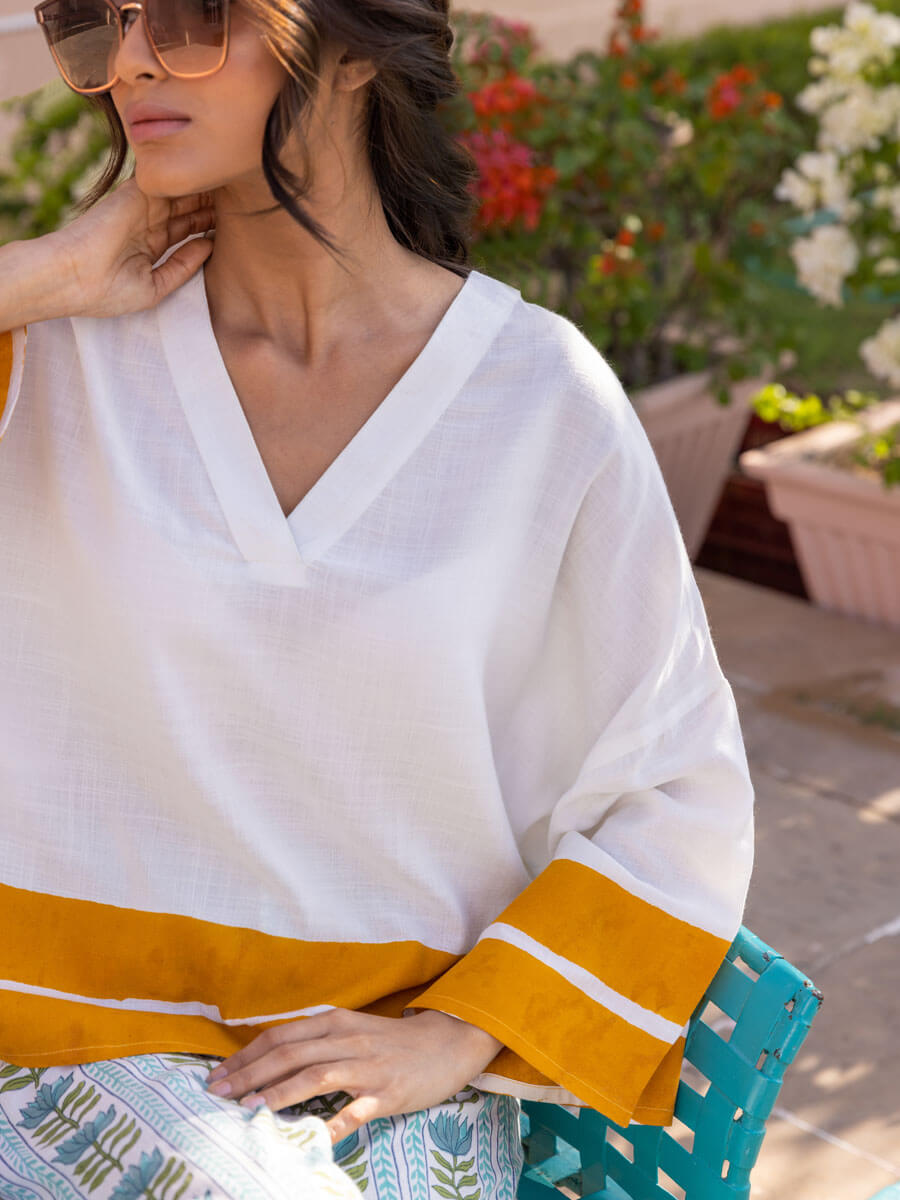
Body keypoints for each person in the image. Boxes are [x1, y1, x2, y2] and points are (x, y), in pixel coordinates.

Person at [0, 0, 756, 1195]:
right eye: (104, 19)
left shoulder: (538, 402)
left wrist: (461, 1031)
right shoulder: (46, 354)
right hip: (51, 1040)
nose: (133, 60)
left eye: (192, 14)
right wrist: (40, 275)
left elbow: (674, 782)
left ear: (352, 47)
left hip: (376, 1092)